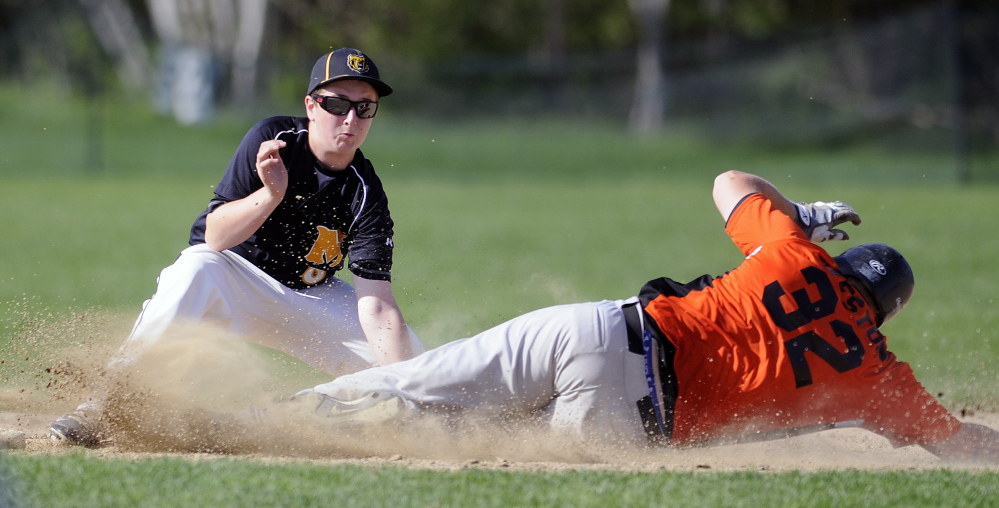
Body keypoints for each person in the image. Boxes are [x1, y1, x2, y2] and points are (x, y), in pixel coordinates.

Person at [282, 170, 999, 463]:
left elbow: (727, 182)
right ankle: (317, 444)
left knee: (411, 384)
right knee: (464, 446)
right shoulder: (874, 373)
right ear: (884, 316)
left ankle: (260, 419)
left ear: (840, 266)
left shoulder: (796, 256)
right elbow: (960, 446)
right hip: (630, 419)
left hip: (596, 330)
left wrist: (800, 218)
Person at [50, 48, 425, 447]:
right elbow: (215, 237)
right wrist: (271, 194)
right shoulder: (273, 140)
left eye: (364, 108)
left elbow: (377, 305)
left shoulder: (365, 193)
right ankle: (102, 407)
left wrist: (410, 383)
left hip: (309, 298)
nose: (350, 118)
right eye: (337, 104)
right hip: (232, 281)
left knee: (412, 362)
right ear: (311, 106)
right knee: (195, 266)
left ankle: (291, 423)